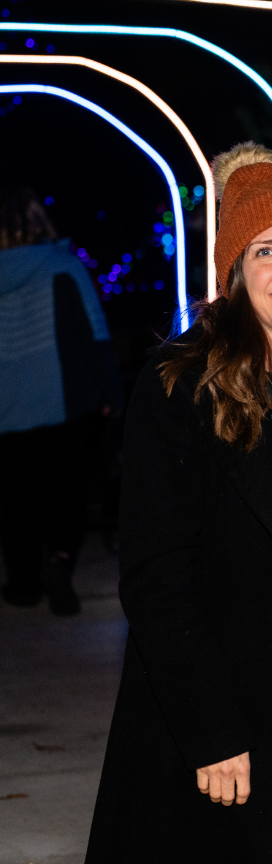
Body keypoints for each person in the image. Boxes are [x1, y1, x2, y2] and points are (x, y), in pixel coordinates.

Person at [77, 144, 272, 864]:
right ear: (235, 273)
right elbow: (156, 576)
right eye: (266, 251)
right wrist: (212, 729)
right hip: (230, 720)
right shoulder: (180, 385)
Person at [0, 185, 124, 615]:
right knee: (65, 493)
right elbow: (95, 335)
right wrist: (113, 396)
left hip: (6, 411)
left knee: (15, 500)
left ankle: (21, 584)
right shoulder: (63, 266)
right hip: (66, 403)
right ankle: (60, 562)